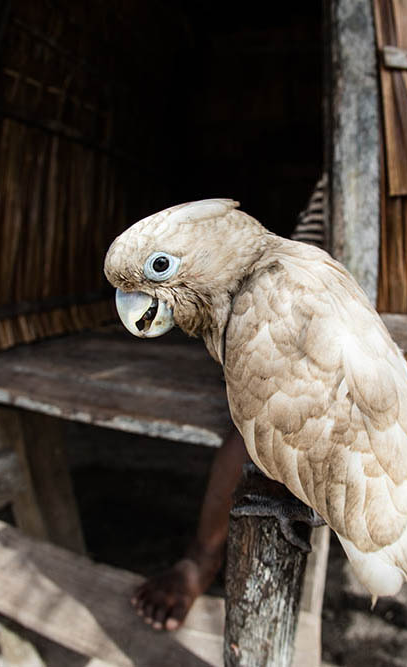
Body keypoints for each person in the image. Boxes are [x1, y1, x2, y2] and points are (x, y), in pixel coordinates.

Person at [131, 177, 328, 631]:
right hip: (303, 310)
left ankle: (201, 557)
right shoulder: (327, 191)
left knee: (263, 421)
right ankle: (201, 559)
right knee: (252, 415)